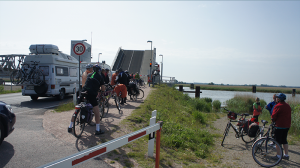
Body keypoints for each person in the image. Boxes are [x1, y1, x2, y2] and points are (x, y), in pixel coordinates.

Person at [68, 64, 106, 135]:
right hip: (92, 95)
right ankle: (97, 130)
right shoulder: (100, 77)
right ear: (99, 70)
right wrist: (101, 89)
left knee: (77, 109)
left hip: (83, 92)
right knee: (97, 112)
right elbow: (103, 88)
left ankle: (70, 127)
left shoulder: (89, 75)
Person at [271, 93, 291, 160]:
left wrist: (273, 120)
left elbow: (273, 116)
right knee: (284, 140)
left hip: (279, 125)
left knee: (277, 141)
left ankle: (278, 155)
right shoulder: (288, 106)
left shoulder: (278, 106)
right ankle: (286, 155)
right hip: (287, 125)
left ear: (279, 99)